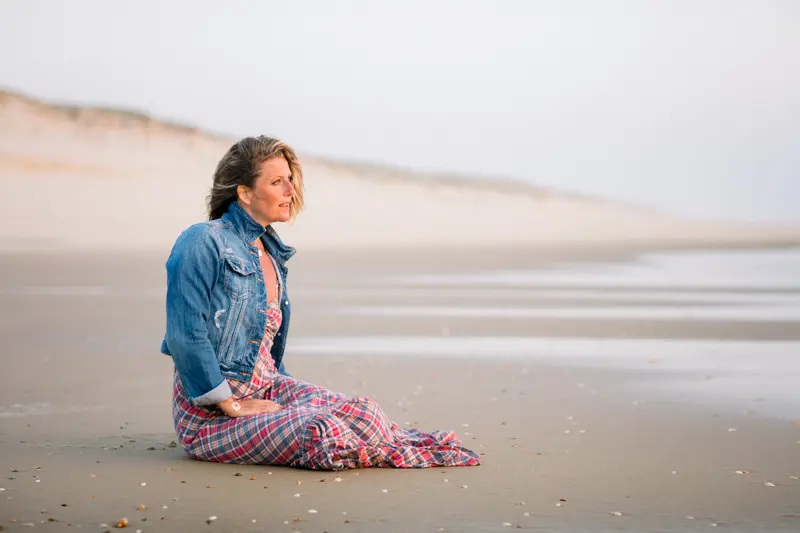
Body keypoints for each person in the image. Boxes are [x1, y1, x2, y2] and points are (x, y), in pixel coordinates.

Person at [160, 136, 480, 469]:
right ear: (245, 193)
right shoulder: (202, 241)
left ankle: (334, 427)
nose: (290, 190)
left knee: (365, 414)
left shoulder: (271, 253)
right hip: (211, 418)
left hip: (267, 388)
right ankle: (312, 429)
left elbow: (263, 350)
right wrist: (229, 403)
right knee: (322, 429)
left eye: (290, 180)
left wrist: (290, 396)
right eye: (276, 182)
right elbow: (186, 334)